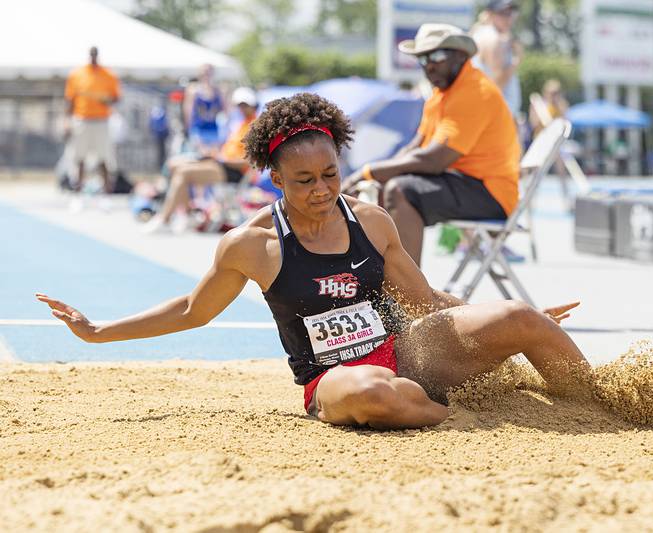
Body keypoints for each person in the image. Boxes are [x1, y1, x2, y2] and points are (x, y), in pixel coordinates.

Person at [37, 93, 594, 430]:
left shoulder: (371, 221)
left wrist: (507, 317)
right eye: (304, 181)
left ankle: (599, 405)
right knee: (374, 394)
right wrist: (99, 331)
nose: (323, 189)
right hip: (334, 379)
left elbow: (425, 303)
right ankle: (459, 416)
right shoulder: (248, 246)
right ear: (274, 180)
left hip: (407, 353)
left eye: (330, 174)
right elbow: (191, 310)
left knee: (520, 315)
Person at [342, 23, 520, 266]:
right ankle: (386, 281)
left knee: (400, 190)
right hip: (465, 182)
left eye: (436, 55)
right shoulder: (440, 95)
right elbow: (415, 148)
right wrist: (373, 176)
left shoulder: (475, 91)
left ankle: (408, 294)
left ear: (460, 55)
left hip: (491, 194)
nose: (429, 65)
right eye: (422, 58)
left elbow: (434, 160)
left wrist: (366, 172)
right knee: (386, 188)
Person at [143, 87, 259, 233]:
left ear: (254, 105)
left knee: (183, 173)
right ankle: (187, 214)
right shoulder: (240, 123)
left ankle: (165, 218)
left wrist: (220, 158)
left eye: (245, 105)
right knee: (173, 165)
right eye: (239, 105)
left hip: (234, 171)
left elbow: (248, 162)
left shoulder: (255, 126)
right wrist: (214, 154)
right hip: (221, 163)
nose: (242, 108)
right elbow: (228, 150)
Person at [64, 46, 121, 193]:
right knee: (79, 156)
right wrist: (66, 121)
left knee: (104, 157)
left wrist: (106, 100)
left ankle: (106, 192)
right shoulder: (77, 74)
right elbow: (70, 100)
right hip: (82, 119)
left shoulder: (108, 74)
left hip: (101, 120)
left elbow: (116, 98)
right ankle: (78, 191)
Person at [471, 0, 523, 117]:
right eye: (503, 13)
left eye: (511, 13)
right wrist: (517, 60)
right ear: (490, 14)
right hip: (496, 114)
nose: (509, 18)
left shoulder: (481, 33)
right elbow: (497, 84)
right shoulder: (494, 39)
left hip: (487, 111)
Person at [530, 79, 571, 211]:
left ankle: (567, 201)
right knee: (537, 173)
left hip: (556, 143)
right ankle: (531, 201)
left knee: (561, 173)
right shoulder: (539, 105)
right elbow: (534, 124)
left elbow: (565, 122)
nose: (554, 95)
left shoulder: (561, 105)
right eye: (552, 92)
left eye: (556, 93)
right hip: (542, 143)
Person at [183, 64, 225, 153]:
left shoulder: (218, 91)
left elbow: (225, 109)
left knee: (213, 156)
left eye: (209, 72)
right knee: (199, 155)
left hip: (213, 130)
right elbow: (188, 110)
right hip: (198, 129)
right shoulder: (193, 90)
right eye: (204, 72)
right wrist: (188, 129)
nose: (206, 74)